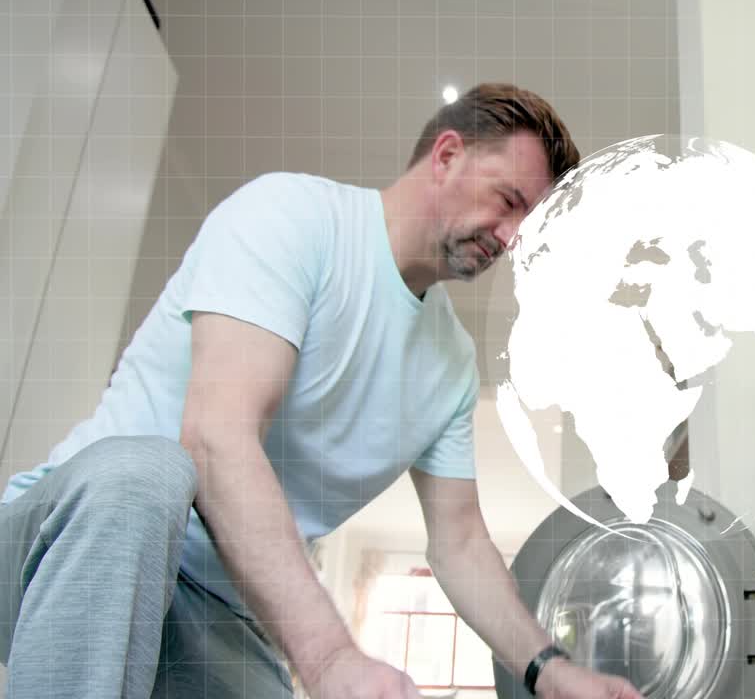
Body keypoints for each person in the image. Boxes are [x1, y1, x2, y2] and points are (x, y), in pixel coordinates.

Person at [0, 83, 646, 699]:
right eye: (509, 200)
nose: (512, 237)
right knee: (149, 467)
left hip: (223, 608)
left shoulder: (449, 364)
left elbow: (461, 544)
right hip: (66, 548)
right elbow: (215, 439)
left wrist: (551, 672)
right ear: (447, 155)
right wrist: (333, 658)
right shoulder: (291, 216)